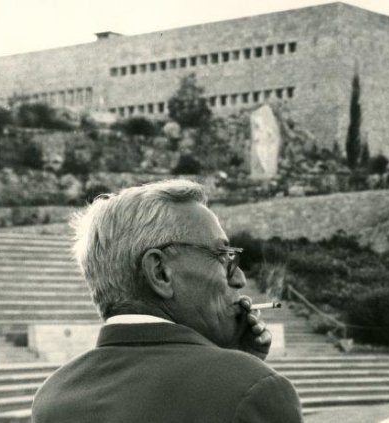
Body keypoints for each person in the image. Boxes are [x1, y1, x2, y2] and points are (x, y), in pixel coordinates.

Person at [32, 179, 302, 422]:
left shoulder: (53, 397)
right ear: (160, 272)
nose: (240, 278)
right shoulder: (254, 389)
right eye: (222, 257)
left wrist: (225, 359)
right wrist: (242, 373)